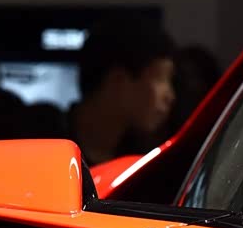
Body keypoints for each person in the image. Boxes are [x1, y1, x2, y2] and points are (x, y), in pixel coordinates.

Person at [68, 15, 176, 165]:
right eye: (159, 77)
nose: (170, 96)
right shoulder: (48, 145)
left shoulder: (147, 156)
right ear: (117, 81)